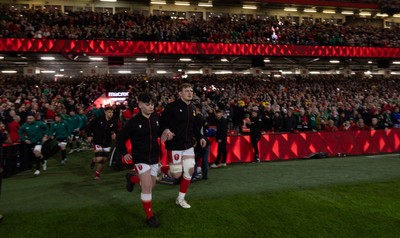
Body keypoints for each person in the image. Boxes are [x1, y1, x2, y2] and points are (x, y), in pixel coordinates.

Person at [117, 92, 161, 228]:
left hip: (154, 157)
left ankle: (131, 179)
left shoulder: (156, 118)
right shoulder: (133, 122)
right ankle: (150, 217)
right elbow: (120, 139)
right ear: (140, 104)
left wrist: (167, 132)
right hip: (140, 158)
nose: (151, 107)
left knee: (151, 184)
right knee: (147, 187)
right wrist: (124, 153)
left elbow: (160, 132)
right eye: (147, 105)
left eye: (152, 105)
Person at [160, 83, 206, 209]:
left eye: (191, 91)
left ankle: (180, 198)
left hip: (188, 146)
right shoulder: (171, 107)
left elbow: (195, 127)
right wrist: (166, 130)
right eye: (186, 91)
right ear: (180, 93)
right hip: (174, 145)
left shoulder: (192, 108)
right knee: (176, 175)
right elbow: (161, 122)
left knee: (189, 171)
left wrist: (201, 137)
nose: (190, 93)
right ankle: (160, 170)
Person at [85, 107, 118, 180]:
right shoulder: (98, 119)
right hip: (97, 142)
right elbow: (89, 127)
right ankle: (94, 160)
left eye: (112, 112)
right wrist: (89, 135)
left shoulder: (114, 121)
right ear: (105, 112)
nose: (111, 114)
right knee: (100, 158)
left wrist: (114, 134)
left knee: (103, 160)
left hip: (107, 143)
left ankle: (97, 174)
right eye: (109, 112)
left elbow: (115, 130)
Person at [192, 103, 210, 180]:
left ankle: (194, 175)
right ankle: (205, 175)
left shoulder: (195, 118)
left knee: (195, 159)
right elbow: (207, 127)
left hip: (199, 141)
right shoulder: (203, 118)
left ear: (197, 109)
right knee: (205, 159)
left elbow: (196, 131)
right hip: (205, 141)